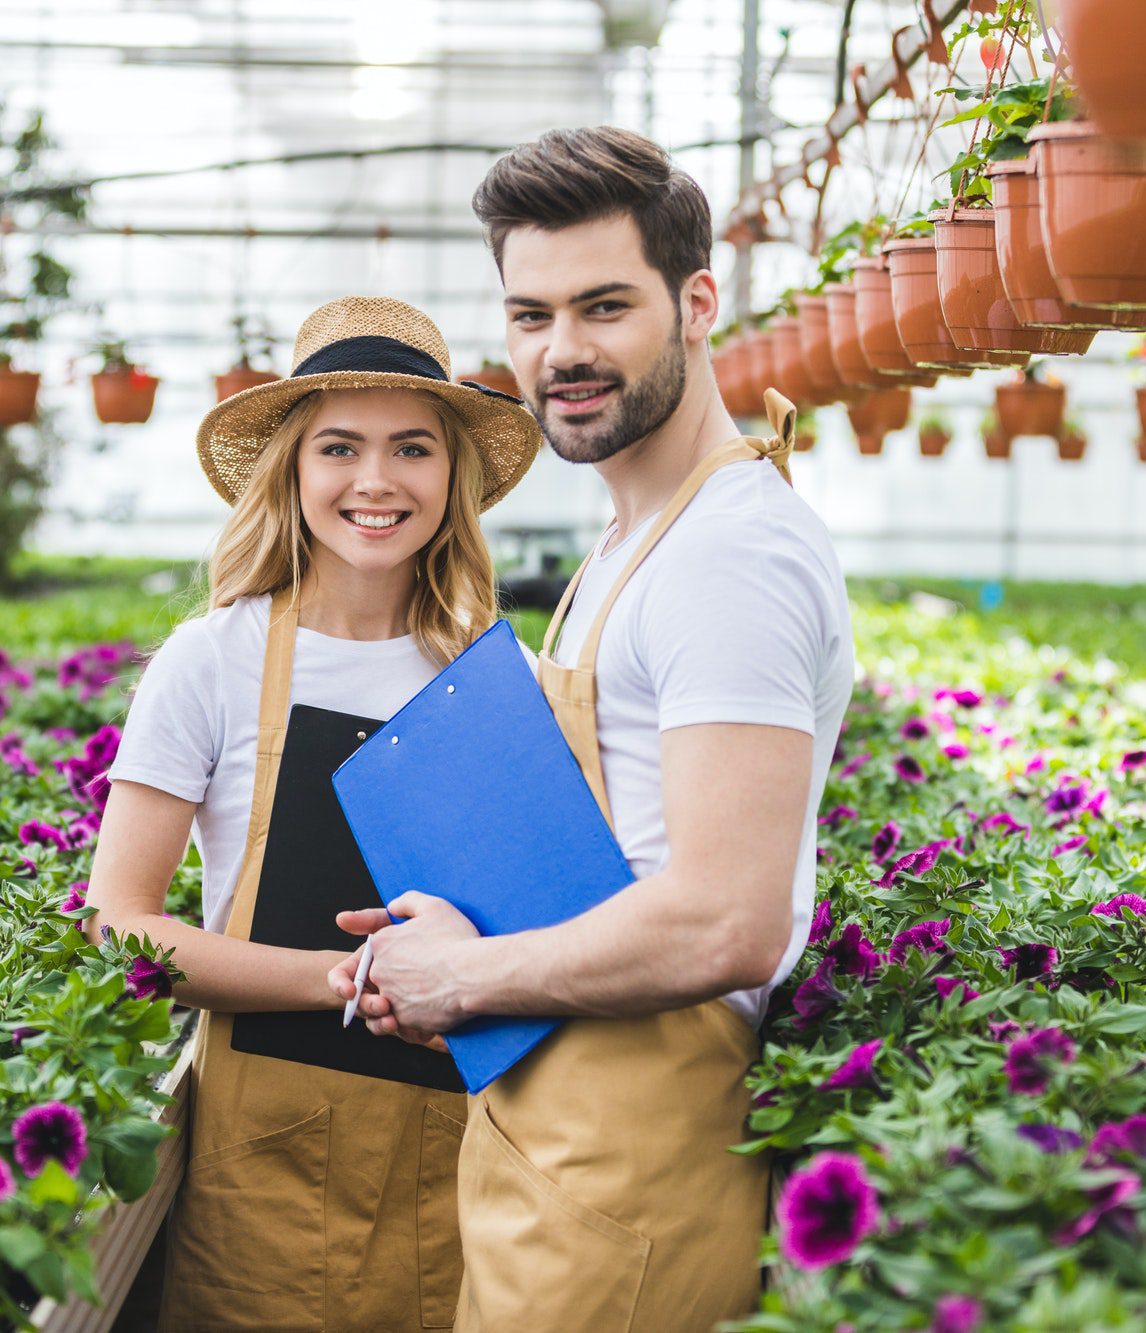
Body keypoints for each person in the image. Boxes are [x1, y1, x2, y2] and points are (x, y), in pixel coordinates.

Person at [334, 127, 856, 1331]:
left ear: (694, 302)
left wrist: (461, 976)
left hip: (633, 1156)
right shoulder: (633, 539)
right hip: (555, 1130)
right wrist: (442, 930)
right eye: (528, 316)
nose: (559, 352)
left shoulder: (730, 552)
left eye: (603, 306)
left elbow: (724, 917)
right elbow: (627, 851)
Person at [85, 295, 542, 1331]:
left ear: (452, 477)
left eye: (411, 449)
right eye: (339, 446)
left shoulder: (489, 673)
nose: (375, 481)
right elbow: (118, 922)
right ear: (290, 467)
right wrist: (352, 981)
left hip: (459, 1162)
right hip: (265, 1165)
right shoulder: (211, 659)